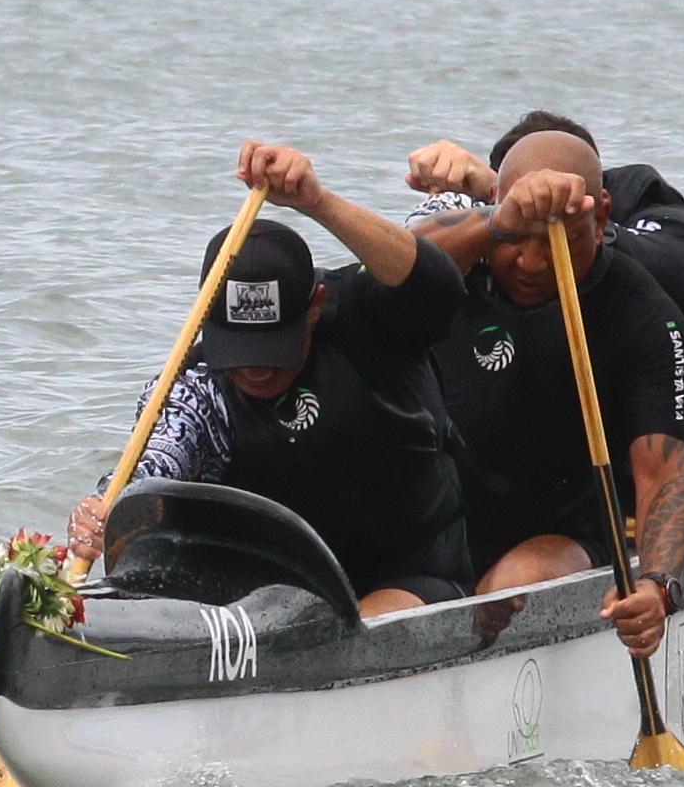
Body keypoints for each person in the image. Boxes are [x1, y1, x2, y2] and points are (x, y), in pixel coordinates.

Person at [64, 139, 471, 616]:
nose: (255, 368)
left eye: (274, 346)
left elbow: (437, 283)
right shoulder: (193, 385)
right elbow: (157, 458)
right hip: (280, 591)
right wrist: (109, 510)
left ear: (315, 305)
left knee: (357, 620)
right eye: (238, 348)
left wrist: (316, 202)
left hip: (411, 572)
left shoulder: (369, 320)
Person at [407, 127, 684, 657]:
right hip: (443, 522)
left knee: (509, 585)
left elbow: (668, 474)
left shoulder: (643, 313)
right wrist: (498, 222)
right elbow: (395, 265)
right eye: (518, 237)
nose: (532, 262)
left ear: (602, 217)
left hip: (562, 534)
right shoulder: (459, 264)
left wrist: (657, 585)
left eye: (557, 239)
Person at [405, 111, 684, 506]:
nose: (531, 262)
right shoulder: (483, 219)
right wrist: (503, 217)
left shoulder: (652, 215)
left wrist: (562, 215)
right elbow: (404, 263)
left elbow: (680, 267)